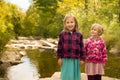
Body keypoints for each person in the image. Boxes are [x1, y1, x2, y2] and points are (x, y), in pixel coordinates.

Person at [57, 14, 85, 80]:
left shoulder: (79, 34)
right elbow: (59, 46)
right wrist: (59, 58)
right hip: (65, 58)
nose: (70, 24)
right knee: (66, 76)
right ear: (65, 24)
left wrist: (82, 59)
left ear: (75, 23)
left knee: (75, 76)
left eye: (72, 22)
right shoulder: (62, 34)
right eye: (68, 22)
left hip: (76, 58)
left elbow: (82, 47)